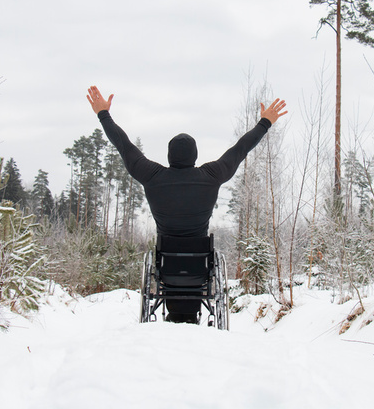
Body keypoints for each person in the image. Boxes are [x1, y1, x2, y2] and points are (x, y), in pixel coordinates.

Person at [86, 85, 287, 321]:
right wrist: (265, 122)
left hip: (166, 269)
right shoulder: (210, 176)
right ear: (195, 155)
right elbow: (239, 150)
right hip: (200, 268)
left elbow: (125, 147)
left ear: (170, 155)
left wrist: (104, 114)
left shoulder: (153, 176)